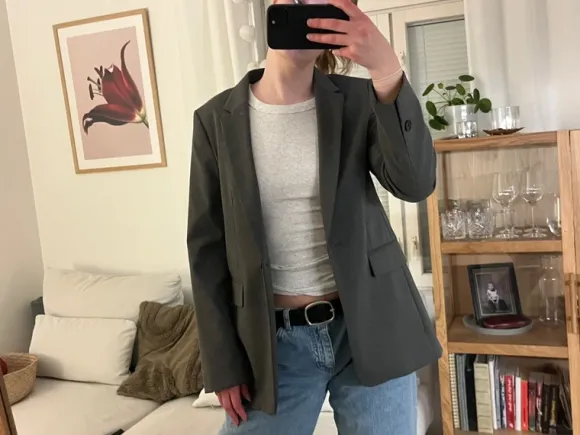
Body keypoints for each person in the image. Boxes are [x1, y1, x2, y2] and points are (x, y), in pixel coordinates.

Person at [187, 0, 442, 433]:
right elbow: (206, 248)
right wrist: (222, 362)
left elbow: (415, 184)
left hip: (371, 323)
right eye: (297, 2)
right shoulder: (215, 120)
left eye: (321, 6)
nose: (306, 12)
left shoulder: (359, 100)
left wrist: (386, 71)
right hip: (274, 344)